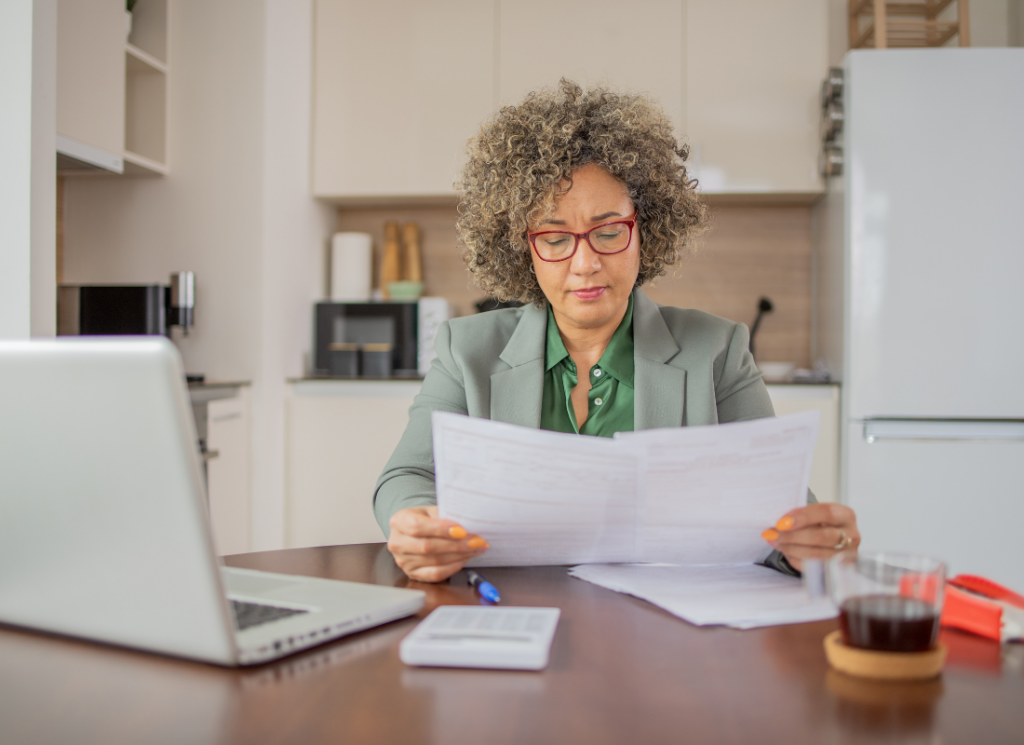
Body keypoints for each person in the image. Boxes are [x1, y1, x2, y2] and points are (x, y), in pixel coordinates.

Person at [374, 80, 860, 582]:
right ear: (523, 248)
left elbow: (779, 506)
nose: (585, 263)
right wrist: (413, 521)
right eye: (556, 238)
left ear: (644, 232)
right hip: (515, 606)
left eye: (608, 232)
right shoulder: (467, 350)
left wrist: (813, 542)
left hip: (664, 628)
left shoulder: (717, 350)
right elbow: (407, 476)